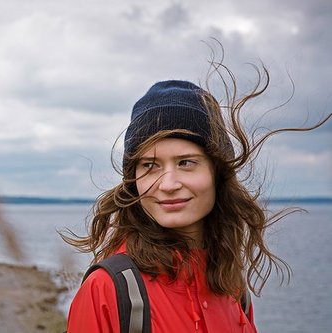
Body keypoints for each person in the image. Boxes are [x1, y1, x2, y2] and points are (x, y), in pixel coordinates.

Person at [63, 58, 329, 333]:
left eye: (186, 162)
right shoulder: (110, 289)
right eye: (149, 166)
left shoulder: (231, 285)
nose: (168, 184)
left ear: (217, 172)